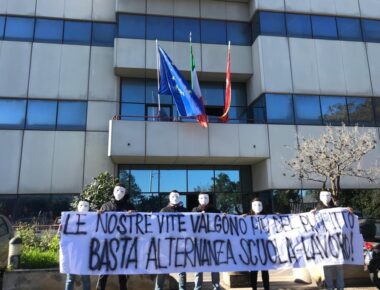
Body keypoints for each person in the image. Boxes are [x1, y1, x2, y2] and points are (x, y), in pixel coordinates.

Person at [96, 183, 136, 290]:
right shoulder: (106, 206)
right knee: (104, 272)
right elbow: (99, 224)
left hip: (122, 244)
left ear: (125, 193)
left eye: (122, 191)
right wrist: (98, 215)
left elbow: (136, 223)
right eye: (117, 190)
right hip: (108, 244)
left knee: (122, 273)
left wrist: (134, 214)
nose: (119, 193)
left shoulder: (129, 206)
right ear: (113, 192)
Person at [311, 190, 352, 290]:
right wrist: (312, 214)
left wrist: (347, 210)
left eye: (328, 195)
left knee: (339, 266)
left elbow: (342, 213)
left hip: (336, 242)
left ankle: (340, 287)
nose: (326, 197)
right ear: (320, 197)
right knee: (327, 267)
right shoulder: (317, 209)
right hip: (325, 243)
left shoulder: (334, 208)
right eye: (324, 195)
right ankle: (330, 287)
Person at [155, 190, 187, 290]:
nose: (175, 198)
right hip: (166, 245)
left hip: (181, 244)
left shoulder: (185, 211)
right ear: (169, 198)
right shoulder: (163, 211)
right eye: (173, 196)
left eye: (177, 196)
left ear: (180, 198)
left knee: (182, 271)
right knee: (163, 270)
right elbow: (158, 227)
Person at [192, 192, 221, 290]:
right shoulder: (194, 211)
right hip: (199, 243)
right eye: (201, 198)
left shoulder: (215, 211)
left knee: (214, 266)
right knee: (198, 267)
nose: (203, 199)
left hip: (213, 243)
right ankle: (197, 287)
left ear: (209, 199)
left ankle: (216, 286)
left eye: (205, 197)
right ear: (198, 200)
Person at [64, 200, 91, 290]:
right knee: (70, 278)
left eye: (86, 205)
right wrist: (61, 230)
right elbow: (64, 237)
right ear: (77, 207)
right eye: (81, 205)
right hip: (73, 253)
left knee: (86, 278)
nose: (83, 207)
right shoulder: (71, 219)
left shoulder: (91, 221)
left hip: (85, 253)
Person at [245, 198, 270, 290]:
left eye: (259, 205)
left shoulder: (267, 217)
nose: (258, 207)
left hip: (264, 248)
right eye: (255, 205)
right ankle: (254, 288)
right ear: (252, 206)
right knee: (253, 271)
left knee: (265, 271)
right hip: (253, 248)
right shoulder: (247, 217)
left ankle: (266, 288)